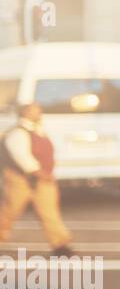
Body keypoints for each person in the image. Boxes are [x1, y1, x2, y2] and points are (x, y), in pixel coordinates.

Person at [0, 102, 75, 256]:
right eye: (35, 111)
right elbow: (22, 157)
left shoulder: (39, 131)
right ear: (26, 113)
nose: (39, 114)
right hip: (20, 179)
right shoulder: (18, 133)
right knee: (10, 212)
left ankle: (60, 245)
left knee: (49, 212)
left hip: (42, 179)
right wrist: (39, 172)